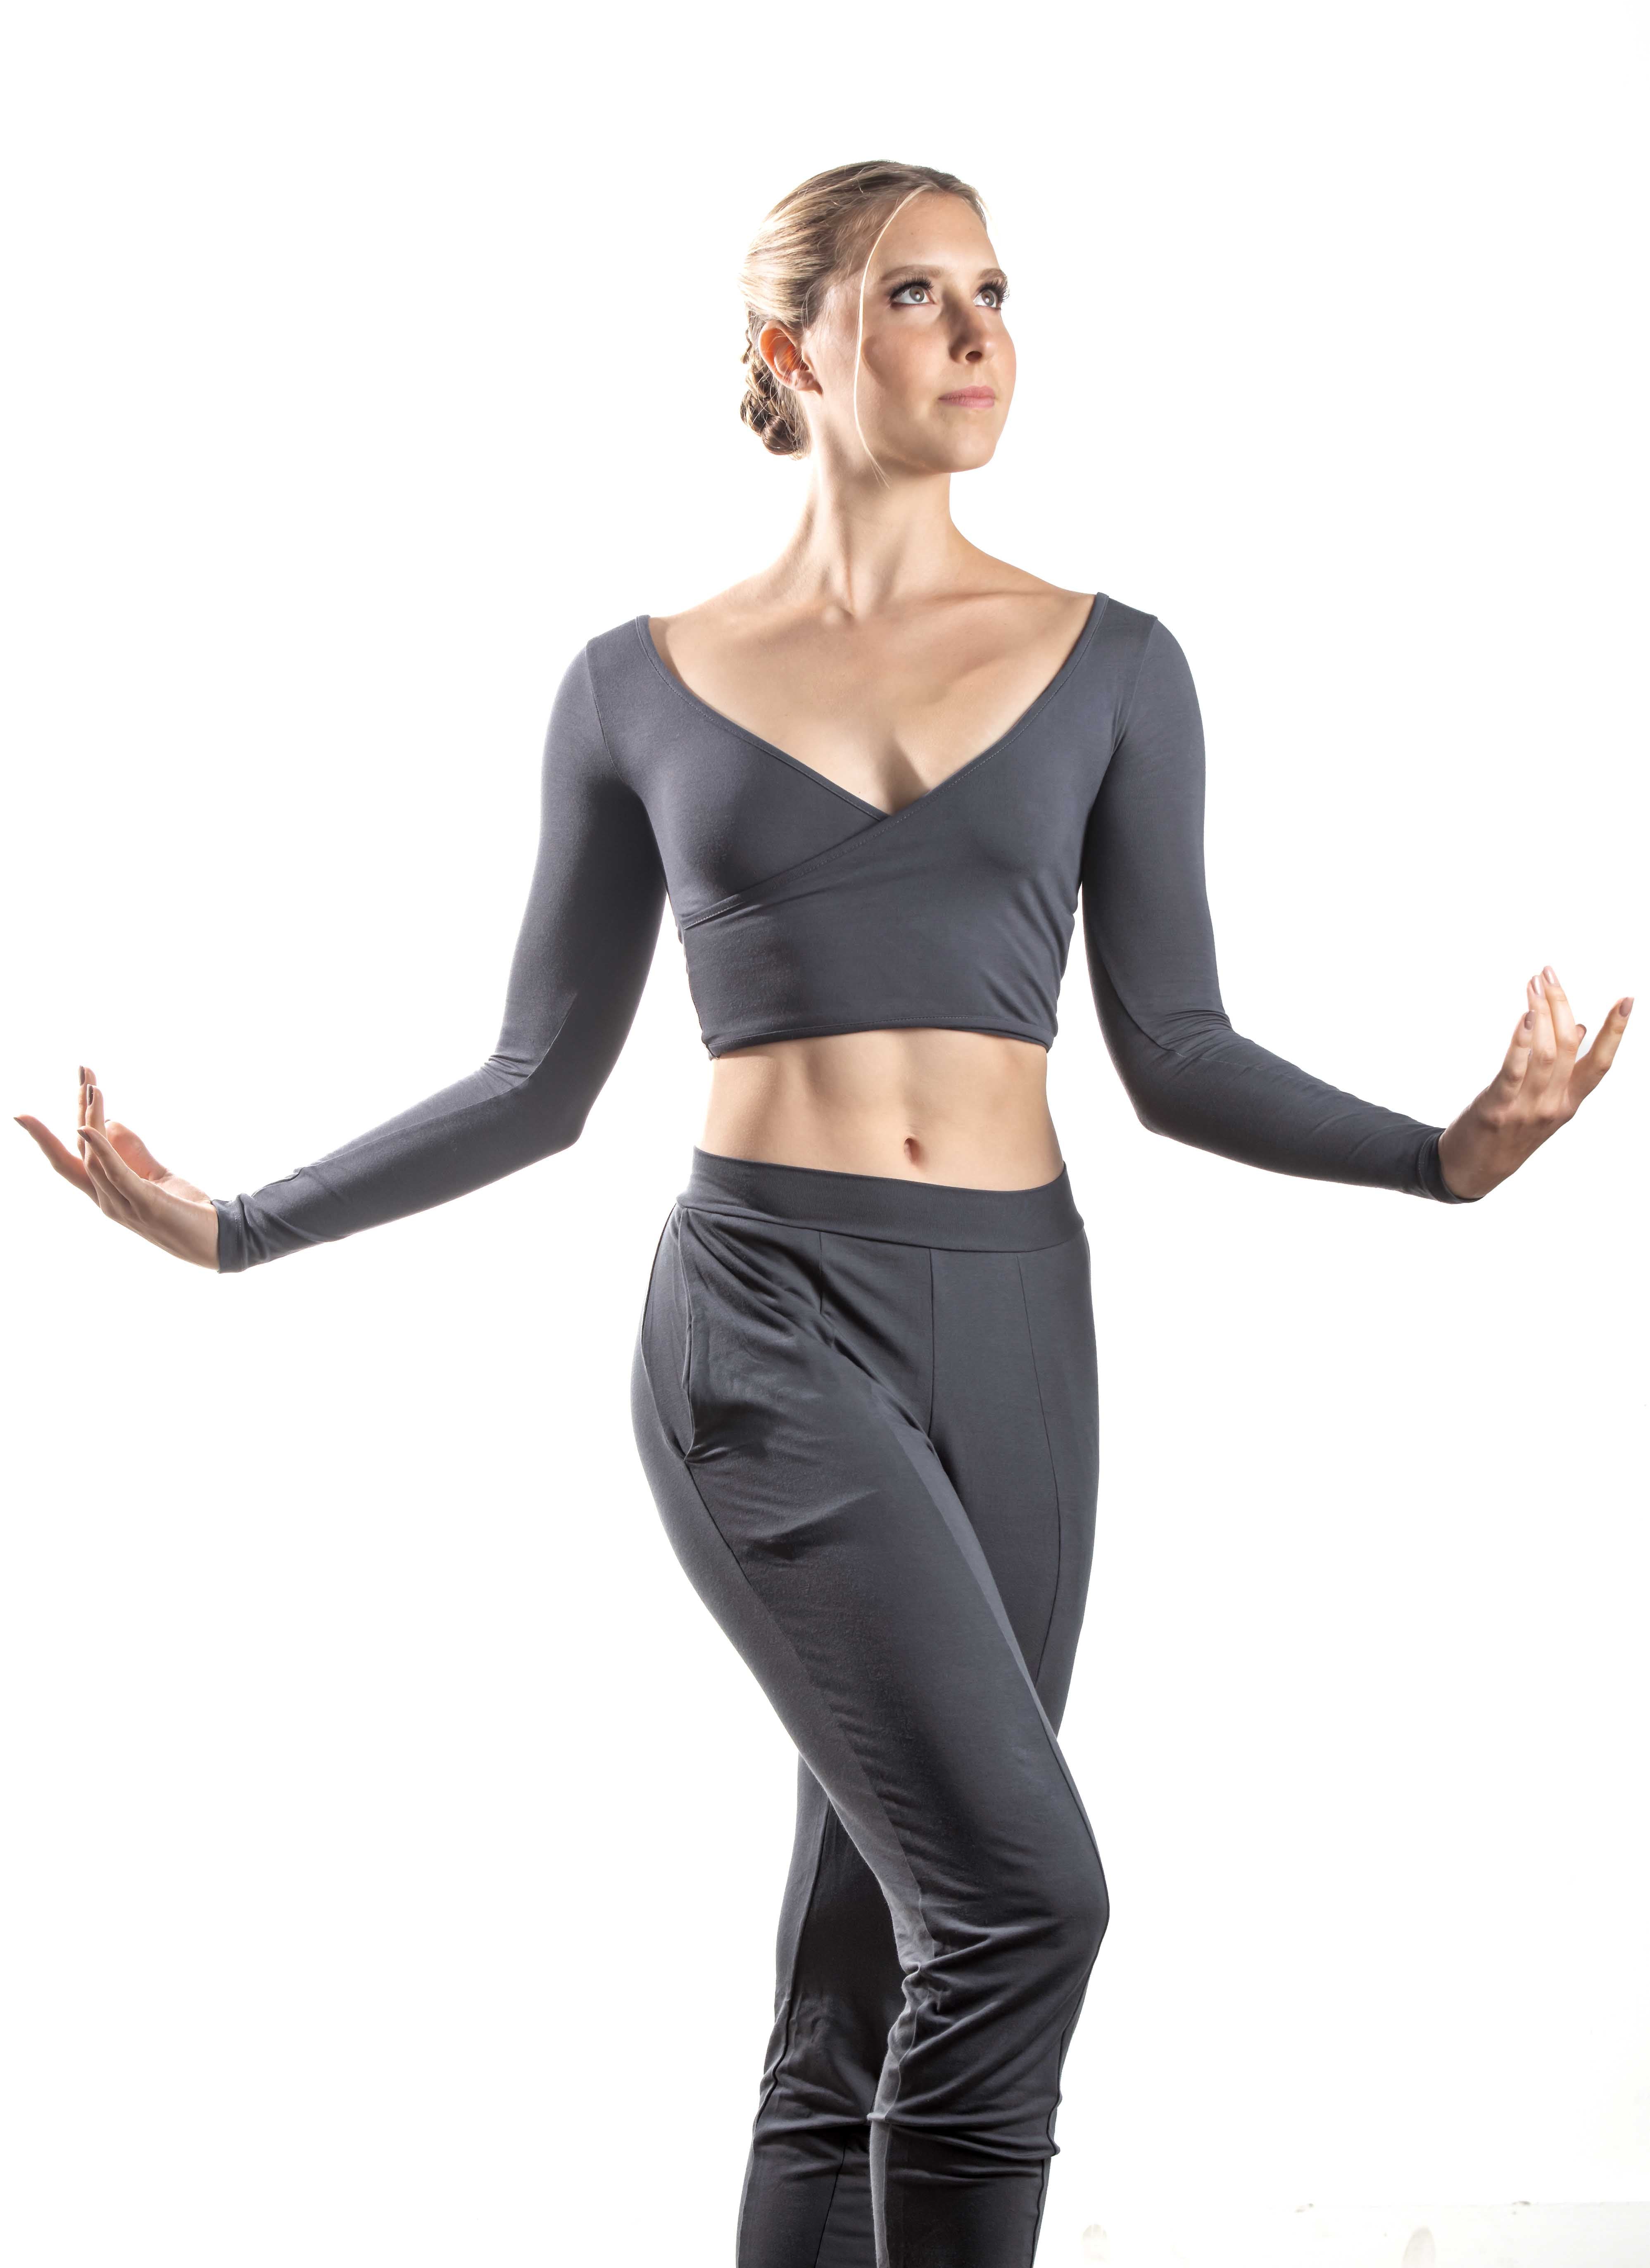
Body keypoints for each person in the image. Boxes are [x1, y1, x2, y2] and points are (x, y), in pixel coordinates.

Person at [17, 159, 1631, 2268]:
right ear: (794, 348)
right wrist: (241, 1224)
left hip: (1021, 1326)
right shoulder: (633, 685)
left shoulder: (1121, 666)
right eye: (917, 293)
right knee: (1027, 1899)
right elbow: (537, 1078)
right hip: (764, 1330)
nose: (980, 332)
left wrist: (1442, 1152)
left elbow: (1176, 1046)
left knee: (874, 1968)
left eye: (997, 290)